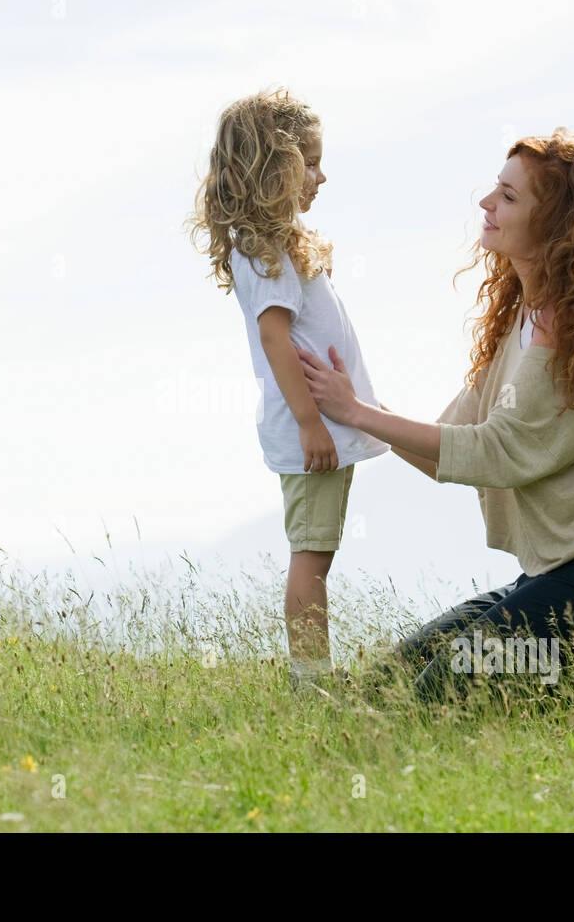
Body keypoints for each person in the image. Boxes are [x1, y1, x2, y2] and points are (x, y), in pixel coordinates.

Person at [295, 128, 574, 703]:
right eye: (496, 189)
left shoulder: (569, 334)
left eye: (509, 197)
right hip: (548, 576)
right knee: (391, 681)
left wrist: (358, 412)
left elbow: (492, 453)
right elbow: (449, 445)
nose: (487, 203)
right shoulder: (518, 319)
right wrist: (349, 405)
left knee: (440, 691)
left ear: (556, 226)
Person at [187, 87, 390, 694]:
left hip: (325, 425)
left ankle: (314, 673)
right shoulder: (264, 251)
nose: (322, 176)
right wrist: (310, 423)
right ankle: (311, 679)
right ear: (279, 164)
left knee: (318, 549)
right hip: (312, 430)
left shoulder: (278, 245)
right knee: (313, 554)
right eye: (312, 161)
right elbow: (276, 340)